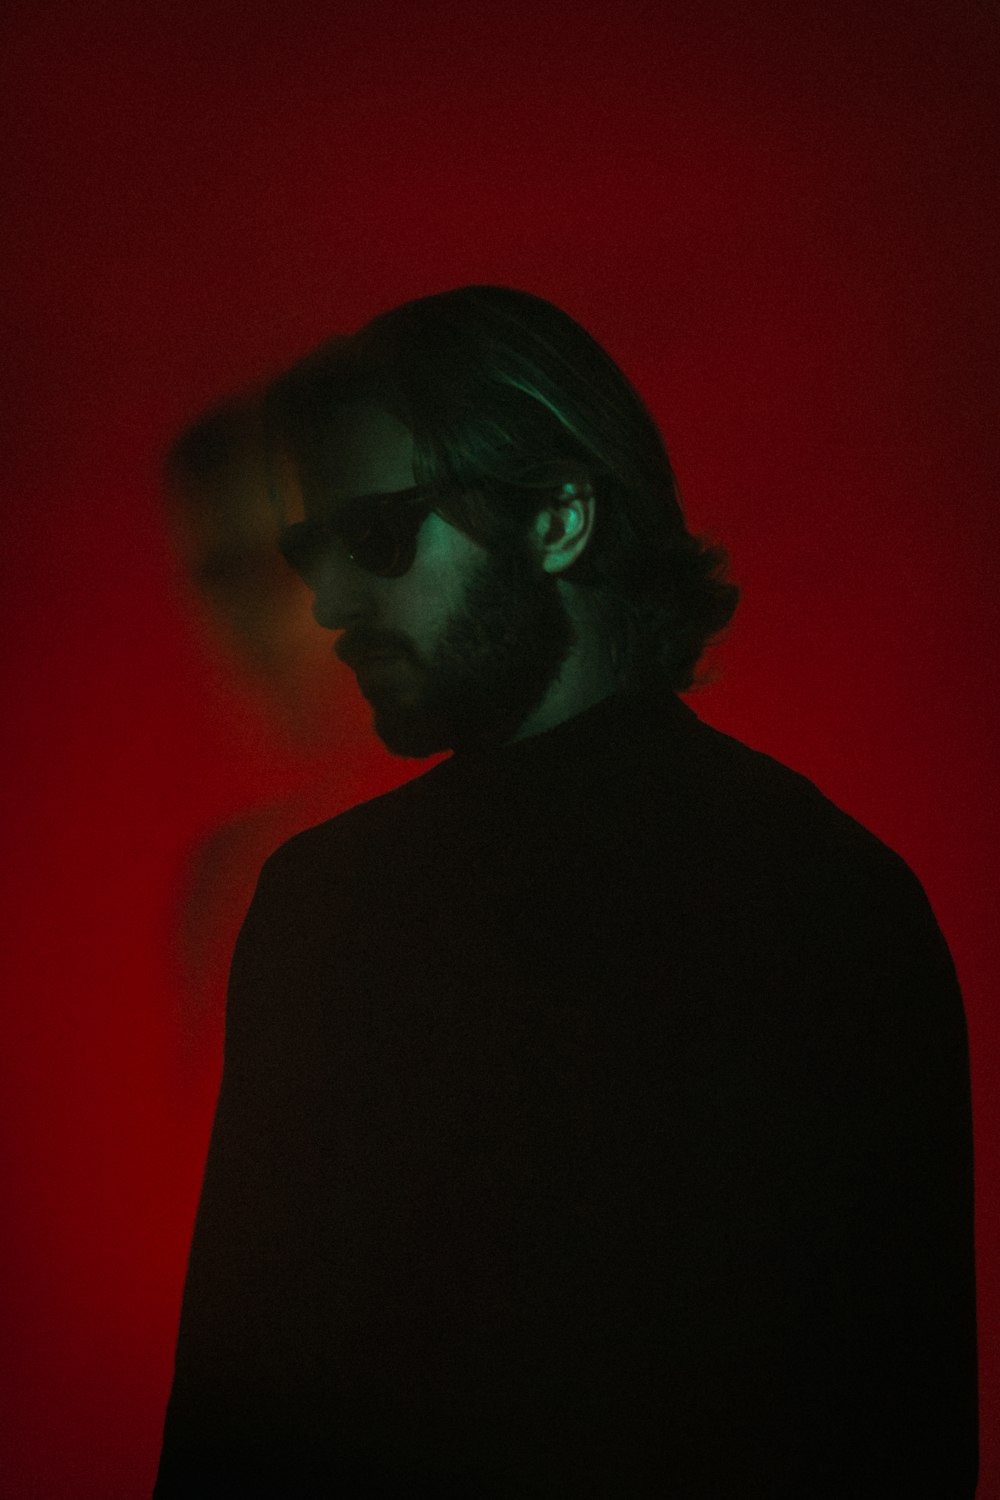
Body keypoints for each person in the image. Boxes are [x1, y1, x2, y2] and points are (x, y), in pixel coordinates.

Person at [154, 286, 978, 1496]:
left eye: (378, 536)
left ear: (560, 516)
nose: (328, 602)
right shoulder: (844, 896)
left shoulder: (337, 910)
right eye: (310, 551)